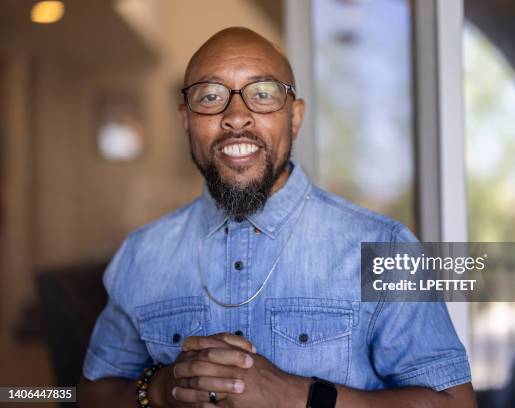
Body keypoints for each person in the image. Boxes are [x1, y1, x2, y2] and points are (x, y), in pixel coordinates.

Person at [77, 27, 476, 408]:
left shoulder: (384, 248)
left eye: (263, 93)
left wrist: (294, 397)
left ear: (295, 118)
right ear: (186, 121)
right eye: (211, 96)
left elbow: (453, 403)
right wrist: (162, 390)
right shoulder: (141, 255)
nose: (236, 116)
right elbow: (92, 394)